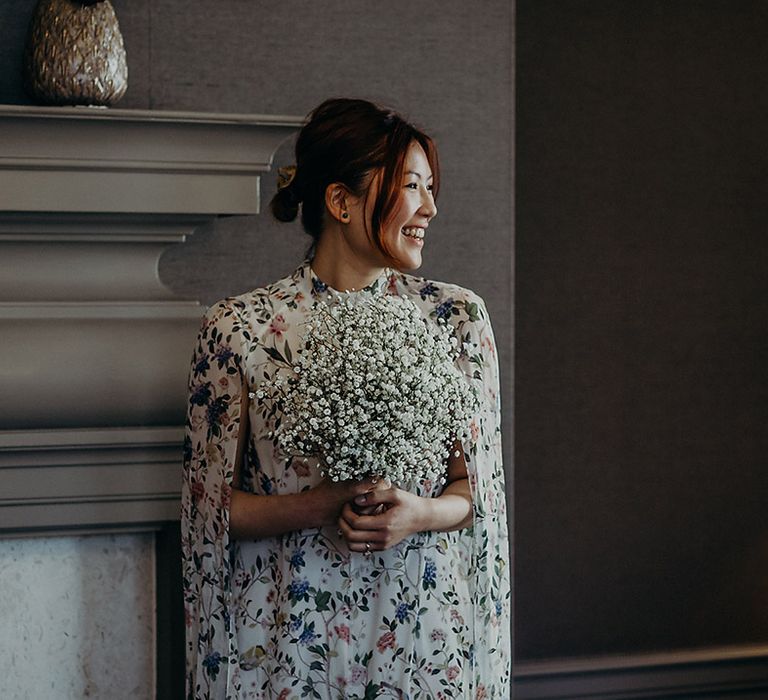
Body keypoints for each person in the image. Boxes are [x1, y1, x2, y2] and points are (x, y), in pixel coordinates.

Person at [181, 98, 510, 699]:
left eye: (430, 188)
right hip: (290, 641)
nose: (430, 208)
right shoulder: (241, 329)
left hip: (422, 640)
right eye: (411, 187)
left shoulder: (456, 319)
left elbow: (474, 493)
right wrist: (326, 503)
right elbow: (212, 512)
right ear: (340, 202)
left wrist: (416, 513)